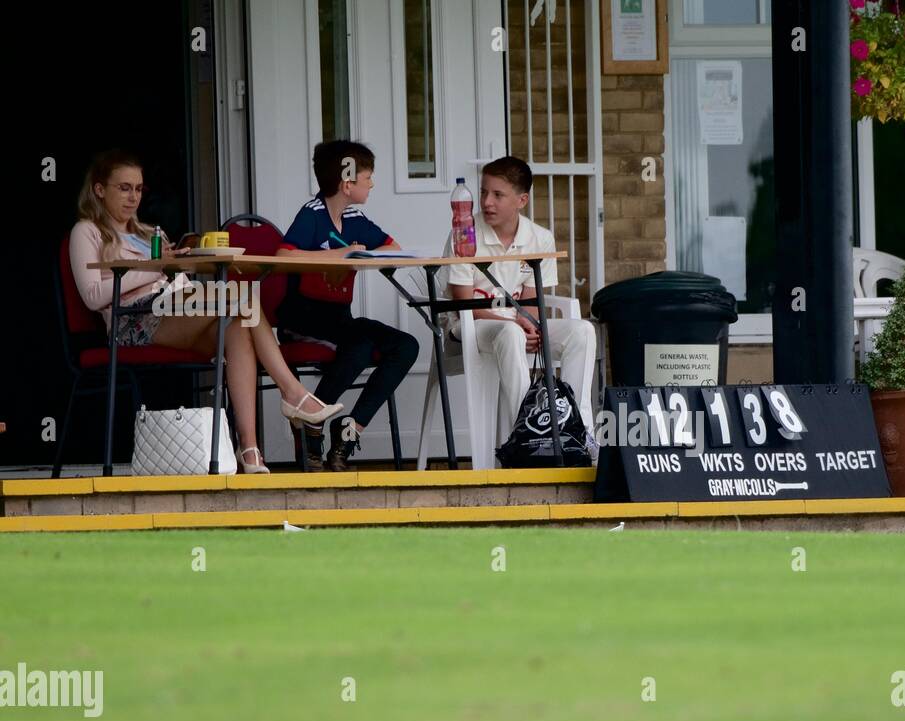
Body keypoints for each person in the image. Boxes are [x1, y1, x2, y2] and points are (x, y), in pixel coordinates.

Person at [70, 150, 342, 474]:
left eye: (139, 189)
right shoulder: (87, 231)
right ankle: (293, 393)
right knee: (243, 296)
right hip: (131, 320)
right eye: (124, 188)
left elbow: (166, 276)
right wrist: (155, 267)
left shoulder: (148, 232)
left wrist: (179, 263)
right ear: (100, 189)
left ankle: (251, 449)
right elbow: (92, 296)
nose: (133, 197)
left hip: (172, 305)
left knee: (239, 324)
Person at [419, 157, 596, 455]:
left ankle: (576, 431)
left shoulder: (539, 237)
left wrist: (530, 324)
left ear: (521, 200)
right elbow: (463, 300)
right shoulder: (464, 232)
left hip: (515, 324)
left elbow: (532, 298)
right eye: (484, 192)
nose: (487, 202)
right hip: (470, 326)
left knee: (583, 331)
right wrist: (517, 326)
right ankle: (528, 438)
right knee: (510, 334)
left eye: (498, 195)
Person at [276, 140, 420, 471]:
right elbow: (283, 256)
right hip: (303, 321)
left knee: (405, 345)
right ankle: (312, 425)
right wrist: (338, 255)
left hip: (339, 319)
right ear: (347, 182)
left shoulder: (354, 217)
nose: (372, 184)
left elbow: (391, 246)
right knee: (359, 346)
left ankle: (349, 432)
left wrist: (364, 254)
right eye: (367, 177)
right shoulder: (311, 214)